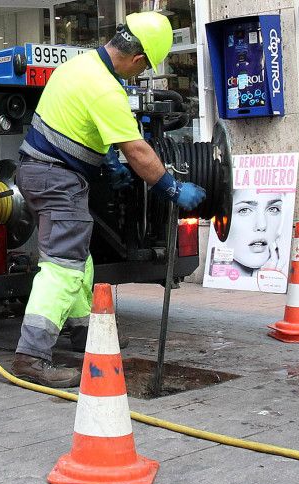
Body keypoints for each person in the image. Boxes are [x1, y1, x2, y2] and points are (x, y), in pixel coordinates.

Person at [11, 11, 207, 388]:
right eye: (145, 66)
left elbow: (78, 124)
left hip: (41, 172)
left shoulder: (79, 66)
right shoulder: (106, 88)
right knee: (63, 268)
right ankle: (31, 356)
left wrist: (106, 159)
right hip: (56, 178)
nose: (141, 73)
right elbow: (139, 151)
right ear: (137, 59)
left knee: (77, 260)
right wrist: (170, 188)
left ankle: (87, 335)